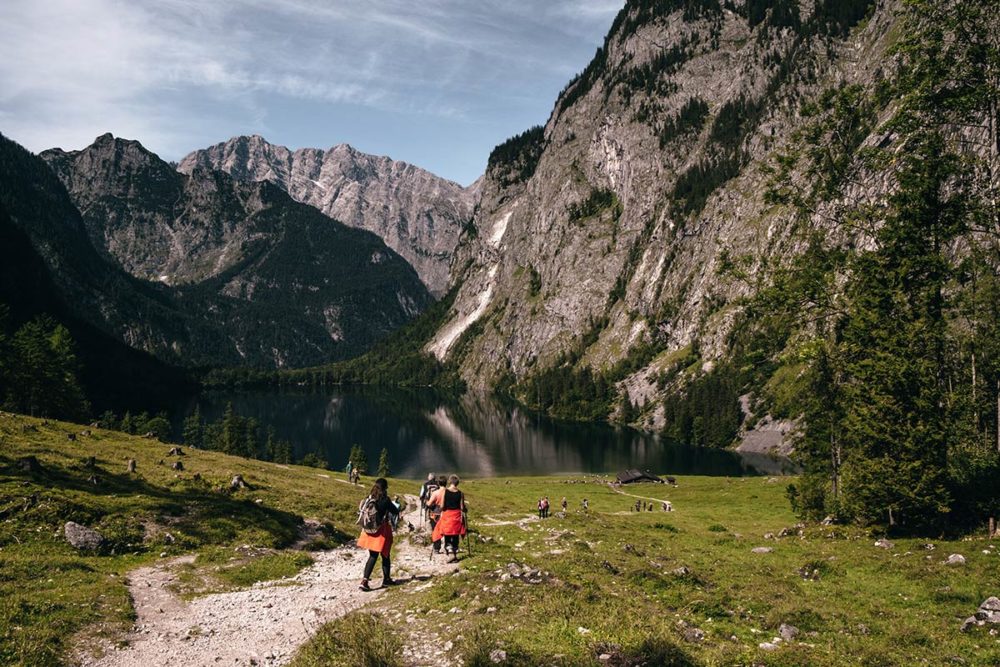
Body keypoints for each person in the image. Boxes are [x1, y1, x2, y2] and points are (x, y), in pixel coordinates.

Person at [357, 477, 399, 591]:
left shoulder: (369, 498)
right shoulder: (385, 500)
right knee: (385, 555)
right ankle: (386, 579)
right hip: (381, 531)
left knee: (373, 556)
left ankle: (365, 580)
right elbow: (395, 511)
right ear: (385, 488)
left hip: (369, 531)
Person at [431, 474, 467, 563]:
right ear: (457, 483)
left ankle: (450, 552)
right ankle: (454, 553)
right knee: (455, 534)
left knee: (447, 533)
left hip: (447, 515)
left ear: (450, 482)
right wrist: (465, 509)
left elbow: (442, 505)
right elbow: (462, 508)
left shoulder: (445, 492)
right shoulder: (461, 493)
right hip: (457, 516)